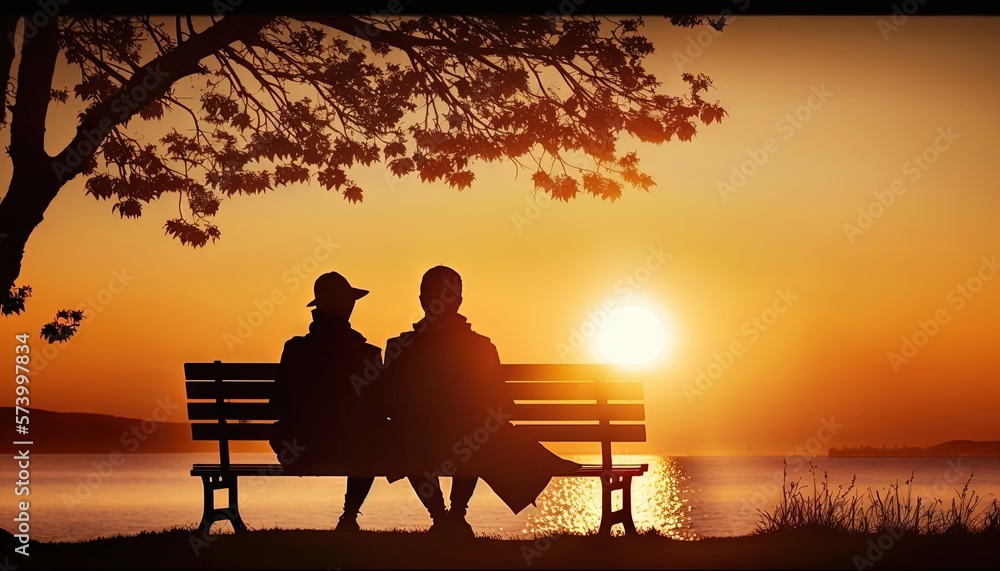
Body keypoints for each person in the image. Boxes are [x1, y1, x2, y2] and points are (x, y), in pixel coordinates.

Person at [380, 265, 580, 537]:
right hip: (469, 444)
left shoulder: (399, 347)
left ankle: (441, 517)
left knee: (409, 437)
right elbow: (503, 406)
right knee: (478, 433)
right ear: (458, 301)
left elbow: (386, 404)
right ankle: (457, 514)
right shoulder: (481, 348)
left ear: (422, 299)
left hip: (416, 446)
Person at [269, 271, 386, 533]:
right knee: (375, 435)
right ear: (347, 307)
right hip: (356, 452)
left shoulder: (295, 350)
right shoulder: (369, 355)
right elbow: (381, 410)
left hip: (302, 452)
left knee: (277, 429)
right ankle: (350, 515)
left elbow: (275, 407)